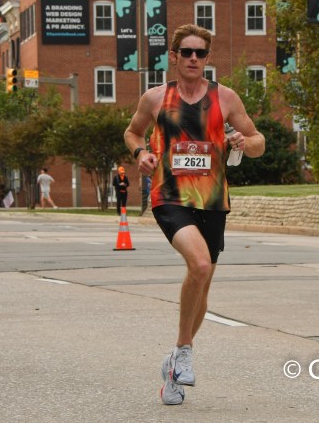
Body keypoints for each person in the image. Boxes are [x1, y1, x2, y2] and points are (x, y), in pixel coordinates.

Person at [124, 23, 265, 405]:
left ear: (207, 58)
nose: (192, 58)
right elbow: (133, 132)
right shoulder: (155, 98)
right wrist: (141, 153)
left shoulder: (226, 98)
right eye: (186, 52)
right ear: (174, 56)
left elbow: (258, 142)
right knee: (199, 265)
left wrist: (243, 141)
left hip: (213, 200)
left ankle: (173, 364)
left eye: (199, 53)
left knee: (202, 282)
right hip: (170, 196)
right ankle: (185, 351)